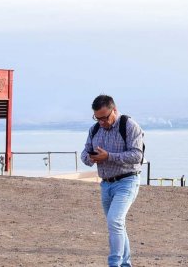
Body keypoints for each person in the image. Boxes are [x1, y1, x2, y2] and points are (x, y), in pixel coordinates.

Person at [81, 94, 145, 267]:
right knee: (117, 225)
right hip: (106, 184)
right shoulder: (94, 129)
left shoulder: (129, 126)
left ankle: (114, 264)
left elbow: (137, 155)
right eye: (97, 118)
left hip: (127, 181)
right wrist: (91, 158)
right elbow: (85, 153)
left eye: (105, 118)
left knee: (114, 221)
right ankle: (125, 264)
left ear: (114, 110)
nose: (102, 122)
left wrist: (108, 156)